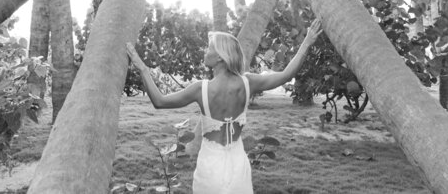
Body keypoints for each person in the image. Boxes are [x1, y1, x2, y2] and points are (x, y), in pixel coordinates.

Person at [126, 20, 322, 194]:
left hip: (210, 168)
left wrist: (142, 68)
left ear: (220, 56)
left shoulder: (200, 89)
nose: (205, 51)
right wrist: (306, 43)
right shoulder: (248, 83)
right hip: (238, 167)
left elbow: (159, 102)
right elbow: (286, 75)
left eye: (209, 48)